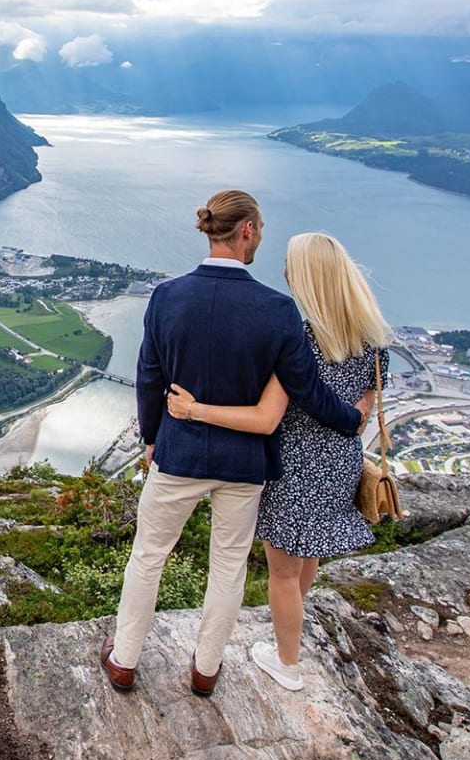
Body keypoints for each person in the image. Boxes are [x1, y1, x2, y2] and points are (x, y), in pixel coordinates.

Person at [102, 191, 371, 699]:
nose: (262, 238)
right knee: (227, 565)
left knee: (148, 556)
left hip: (178, 452)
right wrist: (351, 420)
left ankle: (124, 661)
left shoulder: (166, 296)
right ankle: (204, 671)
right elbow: (308, 390)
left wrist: (154, 438)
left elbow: (147, 379)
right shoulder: (277, 311)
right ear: (245, 230)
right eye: (262, 229)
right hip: (244, 464)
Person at [165, 231, 392, 693]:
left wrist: (194, 410)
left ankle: (287, 663)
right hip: (340, 463)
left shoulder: (300, 340)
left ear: (309, 277)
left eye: (291, 264)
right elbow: (365, 410)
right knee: (306, 557)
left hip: (295, 466)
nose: (285, 271)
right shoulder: (372, 344)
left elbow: (267, 417)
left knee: (282, 574)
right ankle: (288, 636)